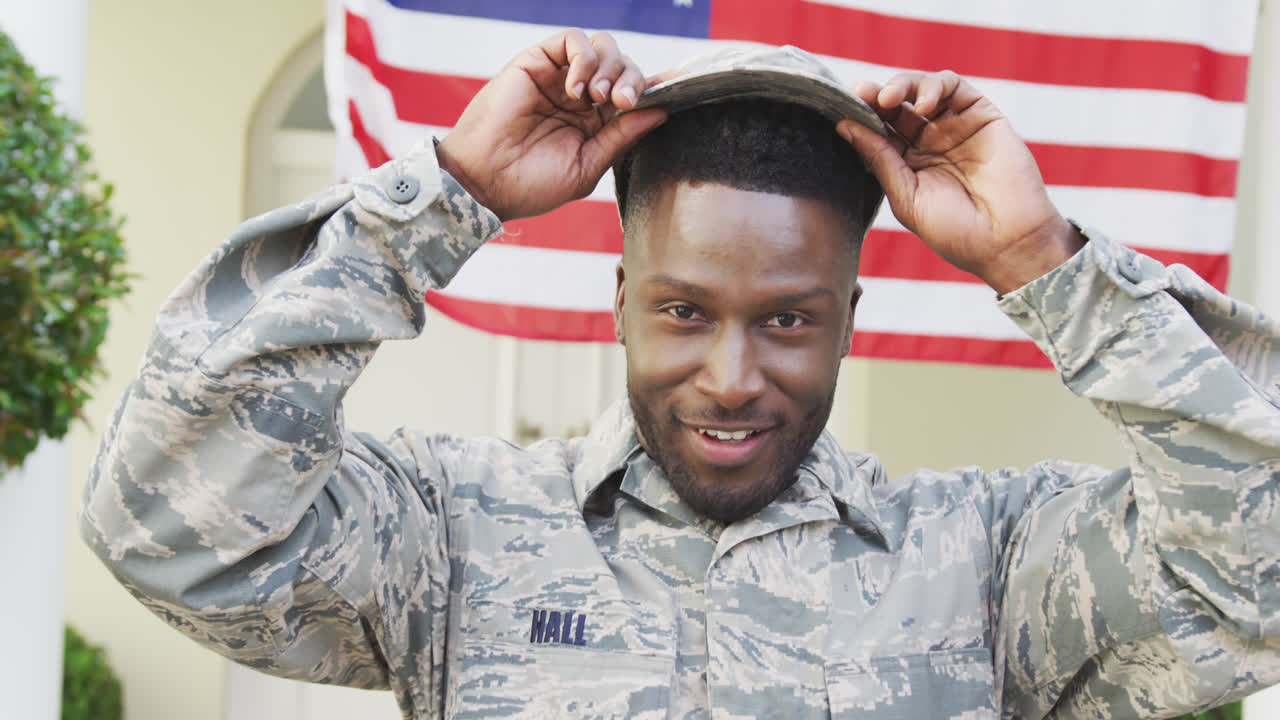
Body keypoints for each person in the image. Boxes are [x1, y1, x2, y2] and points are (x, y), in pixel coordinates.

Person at [82, 28, 1279, 719]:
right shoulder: (453, 533)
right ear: (619, 300)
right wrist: (436, 202)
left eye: (789, 321)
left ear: (847, 319)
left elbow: (1258, 581)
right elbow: (168, 527)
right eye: (681, 310)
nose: (729, 375)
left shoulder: (988, 562)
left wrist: (1047, 266)